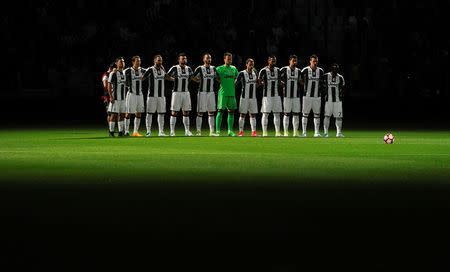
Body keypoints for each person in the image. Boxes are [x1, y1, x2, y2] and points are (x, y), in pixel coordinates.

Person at [142, 55, 171, 137]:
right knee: (149, 113)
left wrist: (175, 80)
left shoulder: (162, 70)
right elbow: (142, 78)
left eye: (161, 60)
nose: (160, 62)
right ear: (155, 61)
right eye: (158, 60)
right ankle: (148, 131)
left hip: (161, 96)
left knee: (161, 113)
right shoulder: (150, 69)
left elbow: (166, 77)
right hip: (152, 96)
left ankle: (161, 131)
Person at [167, 53, 195, 136]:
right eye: (182, 58)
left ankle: (187, 131)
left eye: (185, 58)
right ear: (179, 60)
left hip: (186, 92)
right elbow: (167, 76)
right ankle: (172, 131)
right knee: (174, 112)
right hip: (176, 92)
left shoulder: (188, 69)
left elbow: (191, 77)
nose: (184, 60)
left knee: (186, 112)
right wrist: (174, 80)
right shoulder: (175, 68)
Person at [192, 53, 219, 136]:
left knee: (211, 112)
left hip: (211, 92)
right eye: (207, 58)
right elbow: (192, 76)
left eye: (210, 58)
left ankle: (212, 132)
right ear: (204, 59)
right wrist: (197, 80)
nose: (209, 59)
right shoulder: (200, 68)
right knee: (200, 112)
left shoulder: (213, 68)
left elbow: (217, 77)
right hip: (202, 92)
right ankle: (198, 132)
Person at [215, 52, 239, 136]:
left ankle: (230, 131)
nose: (229, 60)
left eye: (230, 59)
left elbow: (238, 77)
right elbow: (215, 77)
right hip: (223, 93)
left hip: (232, 93)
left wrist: (235, 82)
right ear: (224, 59)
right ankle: (217, 131)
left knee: (231, 112)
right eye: (228, 59)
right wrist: (220, 81)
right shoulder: (219, 68)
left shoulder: (234, 69)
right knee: (220, 111)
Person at [258, 56, 283, 137]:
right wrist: (261, 83)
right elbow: (258, 81)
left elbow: (279, 81)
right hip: (267, 96)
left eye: (274, 61)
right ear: (268, 61)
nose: (274, 62)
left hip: (276, 95)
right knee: (265, 114)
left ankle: (278, 132)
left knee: (277, 114)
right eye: (272, 61)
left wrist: (282, 83)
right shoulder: (263, 70)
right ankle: (264, 132)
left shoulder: (278, 70)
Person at [300, 54, 325, 137]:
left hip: (317, 96)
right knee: (305, 114)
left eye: (316, 61)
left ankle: (316, 132)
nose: (315, 62)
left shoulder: (320, 71)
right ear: (310, 61)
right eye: (313, 61)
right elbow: (299, 79)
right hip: (307, 96)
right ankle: (304, 132)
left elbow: (322, 82)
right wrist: (305, 86)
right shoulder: (305, 70)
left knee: (317, 114)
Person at [236, 58, 260, 137]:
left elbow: (256, 84)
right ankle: (241, 132)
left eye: (252, 64)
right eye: (250, 64)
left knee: (253, 114)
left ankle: (253, 132)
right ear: (246, 64)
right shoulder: (242, 73)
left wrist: (259, 83)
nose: (251, 66)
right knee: (242, 114)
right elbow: (236, 83)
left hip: (253, 97)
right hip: (244, 97)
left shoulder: (255, 73)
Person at [280, 55, 302, 137]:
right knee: (286, 114)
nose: (295, 62)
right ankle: (286, 132)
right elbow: (276, 75)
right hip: (287, 96)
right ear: (289, 61)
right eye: (293, 60)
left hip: (296, 96)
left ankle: (295, 132)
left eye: (296, 60)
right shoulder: (284, 69)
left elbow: (301, 81)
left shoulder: (299, 71)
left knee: (296, 113)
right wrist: (280, 82)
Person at [124, 56, 145, 137]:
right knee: (128, 113)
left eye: (139, 61)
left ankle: (135, 132)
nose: (139, 62)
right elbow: (121, 74)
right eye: (137, 61)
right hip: (131, 94)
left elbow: (150, 72)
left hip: (139, 94)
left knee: (139, 113)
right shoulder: (128, 70)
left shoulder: (142, 70)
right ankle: (126, 131)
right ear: (133, 62)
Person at [323, 63, 345, 137]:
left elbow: (343, 88)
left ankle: (338, 133)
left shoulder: (340, 77)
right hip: (328, 100)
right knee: (327, 116)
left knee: (338, 117)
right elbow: (321, 86)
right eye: (333, 69)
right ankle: (326, 133)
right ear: (331, 69)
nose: (335, 70)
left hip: (338, 101)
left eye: (336, 69)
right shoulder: (326, 76)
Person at [107, 57, 127, 137]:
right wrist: (111, 96)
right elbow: (109, 85)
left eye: (123, 61)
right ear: (116, 63)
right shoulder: (113, 73)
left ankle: (120, 132)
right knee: (113, 114)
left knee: (121, 115)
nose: (122, 63)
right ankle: (111, 132)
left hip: (123, 98)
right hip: (115, 98)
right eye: (120, 62)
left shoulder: (125, 73)